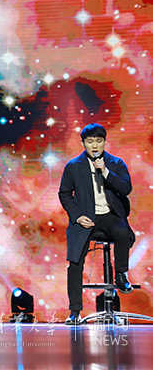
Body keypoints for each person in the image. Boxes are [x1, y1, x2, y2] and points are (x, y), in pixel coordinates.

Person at [58, 123, 135, 325]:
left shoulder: (116, 163)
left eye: (98, 141)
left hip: (109, 216)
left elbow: (126, 188)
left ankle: (121, 274)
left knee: (122, 232)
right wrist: (77, 216)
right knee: (75, 263)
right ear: (83, 143)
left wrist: (106, 171)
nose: (94, 145)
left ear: (104, 142)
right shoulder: (73, 166)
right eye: (90, 141)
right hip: (85, 218)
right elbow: (64, 193)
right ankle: (75, 311)